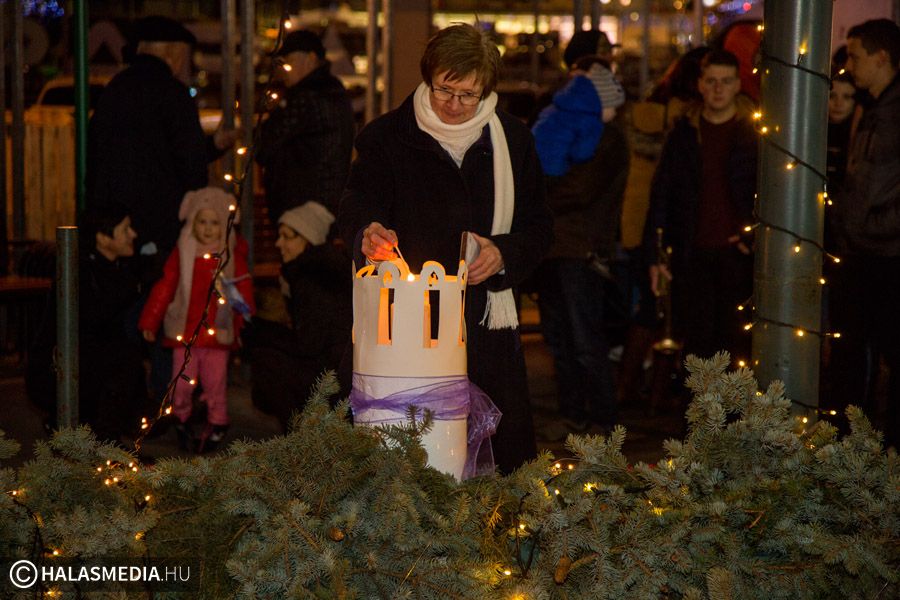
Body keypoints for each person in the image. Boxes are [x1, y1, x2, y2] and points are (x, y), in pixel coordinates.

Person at [338, 23, 553, 473]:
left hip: (485, 326)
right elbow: (357, 208)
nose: (454, 105)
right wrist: (367, 233)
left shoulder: (512, 141)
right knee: (414, 454)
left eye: (468, 95)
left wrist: (504, 254)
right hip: (408, 327)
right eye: (444, 90)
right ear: (428, 78)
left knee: (497, 466)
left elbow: (539, 227)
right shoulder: (385, 139)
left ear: (487, 91)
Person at [86, 15, 240, 283]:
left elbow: (98, 155)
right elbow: (189, 163)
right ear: (172, 54)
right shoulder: (174, 94)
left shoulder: (113, 91)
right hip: (162, 229)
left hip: (114, 226)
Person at [643, 49, 758, 366]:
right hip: (692, 251)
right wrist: (656, 254)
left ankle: (732, 414)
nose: (718, 89)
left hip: (737, 253)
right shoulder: (683, 133)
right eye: (712, 81)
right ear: (700, 84)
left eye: (726, 81)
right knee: (697, 342)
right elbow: (662, 192)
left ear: (737, 84)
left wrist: (752, 235)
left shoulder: (754, 132)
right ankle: (700, 413)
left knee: (735, 343)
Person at [532, 57, 628, 437]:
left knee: (584, 338)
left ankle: (603, 419)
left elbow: (580, 189)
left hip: (581, 248)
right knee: (559, 338)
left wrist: (537, 196)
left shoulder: (608, 138)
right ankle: (573, 415)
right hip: (556, 247)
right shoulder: (578, 128)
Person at [138, 187, 254, 453]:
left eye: (215, 222)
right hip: (186, 333)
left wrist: (246, 315)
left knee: (215, 383)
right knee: (181, 382)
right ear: (192, 222)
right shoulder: (184, 251)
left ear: (224, 224)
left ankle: (218, 422)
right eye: (202, 221)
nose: (208, 228)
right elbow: (166, 285)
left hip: (217, 334)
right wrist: (150, 320)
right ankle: (181, 417)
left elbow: (241, 286)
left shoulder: (230, 253)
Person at [830, 19, 900, 450]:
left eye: (855, 56)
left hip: (883, 252)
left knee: (883, 350)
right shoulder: (874, 108)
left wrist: (870, 226)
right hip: (864, 248)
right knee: (851, 351)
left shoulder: (890, 113)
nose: (849, 65)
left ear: (881, 57)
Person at [26, 203, 148, 443]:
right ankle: (103, 443)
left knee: (128, 365)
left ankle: (102, 435)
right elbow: (93, 320)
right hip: (57, 370)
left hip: (89, 363)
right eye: (125, 229)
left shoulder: (115, 268)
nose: (133, 234)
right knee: (123, 362)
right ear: (103, 238)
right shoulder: (80, 272)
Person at [245, 202, 352, 431]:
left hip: (334, 380)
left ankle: (298, 437)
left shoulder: (312, 278)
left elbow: (308, 345)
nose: (278, 244)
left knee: (266, 359)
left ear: (307, 239)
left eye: (287, 236)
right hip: (337, 371)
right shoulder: (321, 269)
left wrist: (258, 330)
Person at [256, 30, 355, 222]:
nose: (285, 69)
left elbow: (265, 144)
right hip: (324, 204)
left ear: (311, 58)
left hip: (300, 210)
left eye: (290, 61)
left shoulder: (305, 97)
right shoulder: (333, 90)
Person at [531, 59, 624, 177]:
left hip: (536, 167)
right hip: (556, 171)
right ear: (602, 104)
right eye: (613, 108)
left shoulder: (559, 105)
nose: (615, 113)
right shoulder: (591, 120)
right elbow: (581, 153)